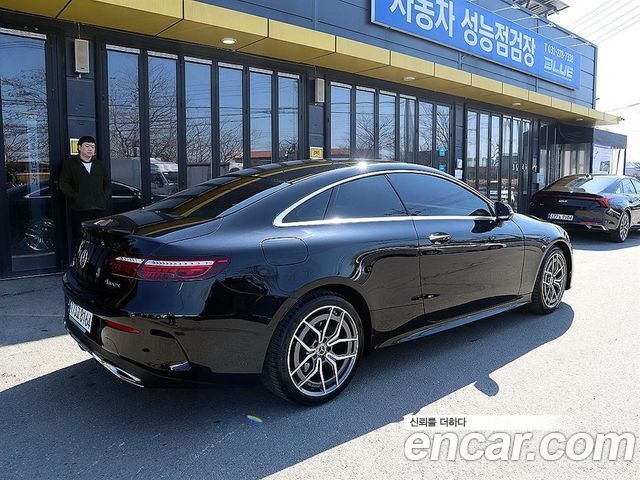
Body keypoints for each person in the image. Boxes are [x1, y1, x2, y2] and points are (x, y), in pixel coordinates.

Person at [59, 136, 110, 251]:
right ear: (79, 147)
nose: (90, 149)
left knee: (99, 238)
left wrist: (104, 196)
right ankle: (79, 260)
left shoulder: (99, 165)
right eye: (87, 146)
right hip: (79, 209)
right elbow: (64, 184)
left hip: (99, 208)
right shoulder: (70, 164)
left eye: (92, 146)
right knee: (80, 238)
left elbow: (107, 183)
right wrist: (76, 197)